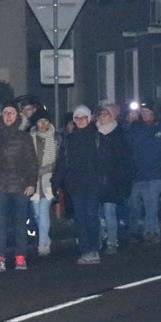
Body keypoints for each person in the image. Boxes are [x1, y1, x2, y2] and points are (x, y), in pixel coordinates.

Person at [0, 100, 38, 271]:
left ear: (17, 116)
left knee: (19, 223)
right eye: (5, 112)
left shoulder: (24, 137)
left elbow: (31, 162)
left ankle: (20, 257)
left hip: (20, 185)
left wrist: (31, 182)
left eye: (12, 113)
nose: (8, 116)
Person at [52, 105, 101, 265]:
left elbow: (104, 161)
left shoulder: (96, 138)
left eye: (83, 118)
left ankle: (94, 249)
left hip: (92, 184)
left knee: (92, 216)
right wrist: (56, 182)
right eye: (77, 118)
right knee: (80, 218)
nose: (80, 121)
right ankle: (86, 249)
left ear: (89, 119)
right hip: (76, 185)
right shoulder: (69, 140)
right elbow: (62, 163)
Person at [126, 101, 161, 244]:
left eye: (147, 112)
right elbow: (127, 145)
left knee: (151, 201)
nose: (144, 115)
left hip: (157, 172)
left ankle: (152, 232)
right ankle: (134, 230)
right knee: (134, 202)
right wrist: (129, 124)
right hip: (140, 173)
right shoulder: (136, 128)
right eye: (142, 112)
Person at [96, 104, 130, 254]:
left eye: (106, 114)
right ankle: (100, 237)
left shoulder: (119, 134)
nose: (102, 117)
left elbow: (123, 159)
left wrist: (120, 178)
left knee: (109, 211)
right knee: (96, 212)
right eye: (101, 114)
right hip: (96, 180)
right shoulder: (94, 133)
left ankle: (112, 241)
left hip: (112, 180)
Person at [29, 109, 56, 257]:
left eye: (45, 121)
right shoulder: (30, 138)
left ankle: (42, 245)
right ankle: (46, 238)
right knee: (37, 214)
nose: (43, 124)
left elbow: (58, 159)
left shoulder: (55, 137)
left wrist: (48, 168)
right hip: (33, 181)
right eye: (40, 121)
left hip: (48, 180)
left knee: (44, 211)